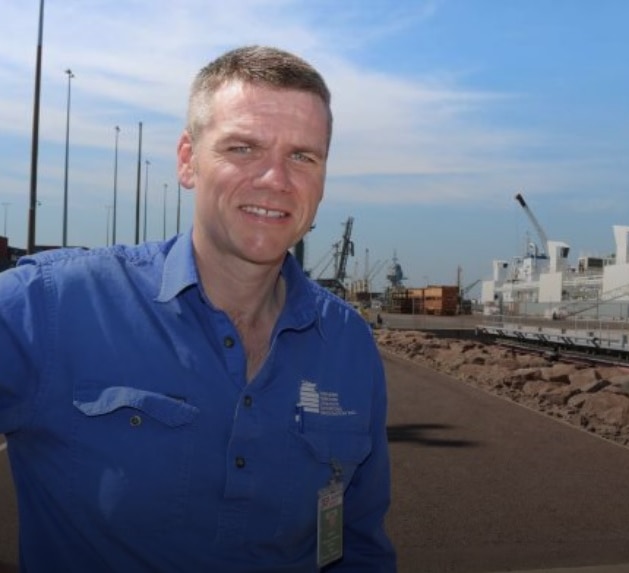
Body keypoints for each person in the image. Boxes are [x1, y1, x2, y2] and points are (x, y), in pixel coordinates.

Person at [0, 45, 396, 572]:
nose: (276, 179)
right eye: (243, 148)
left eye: (303, 156)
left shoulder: (347, 344)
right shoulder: (53, 308)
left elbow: (357, 544)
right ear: (188, 161)